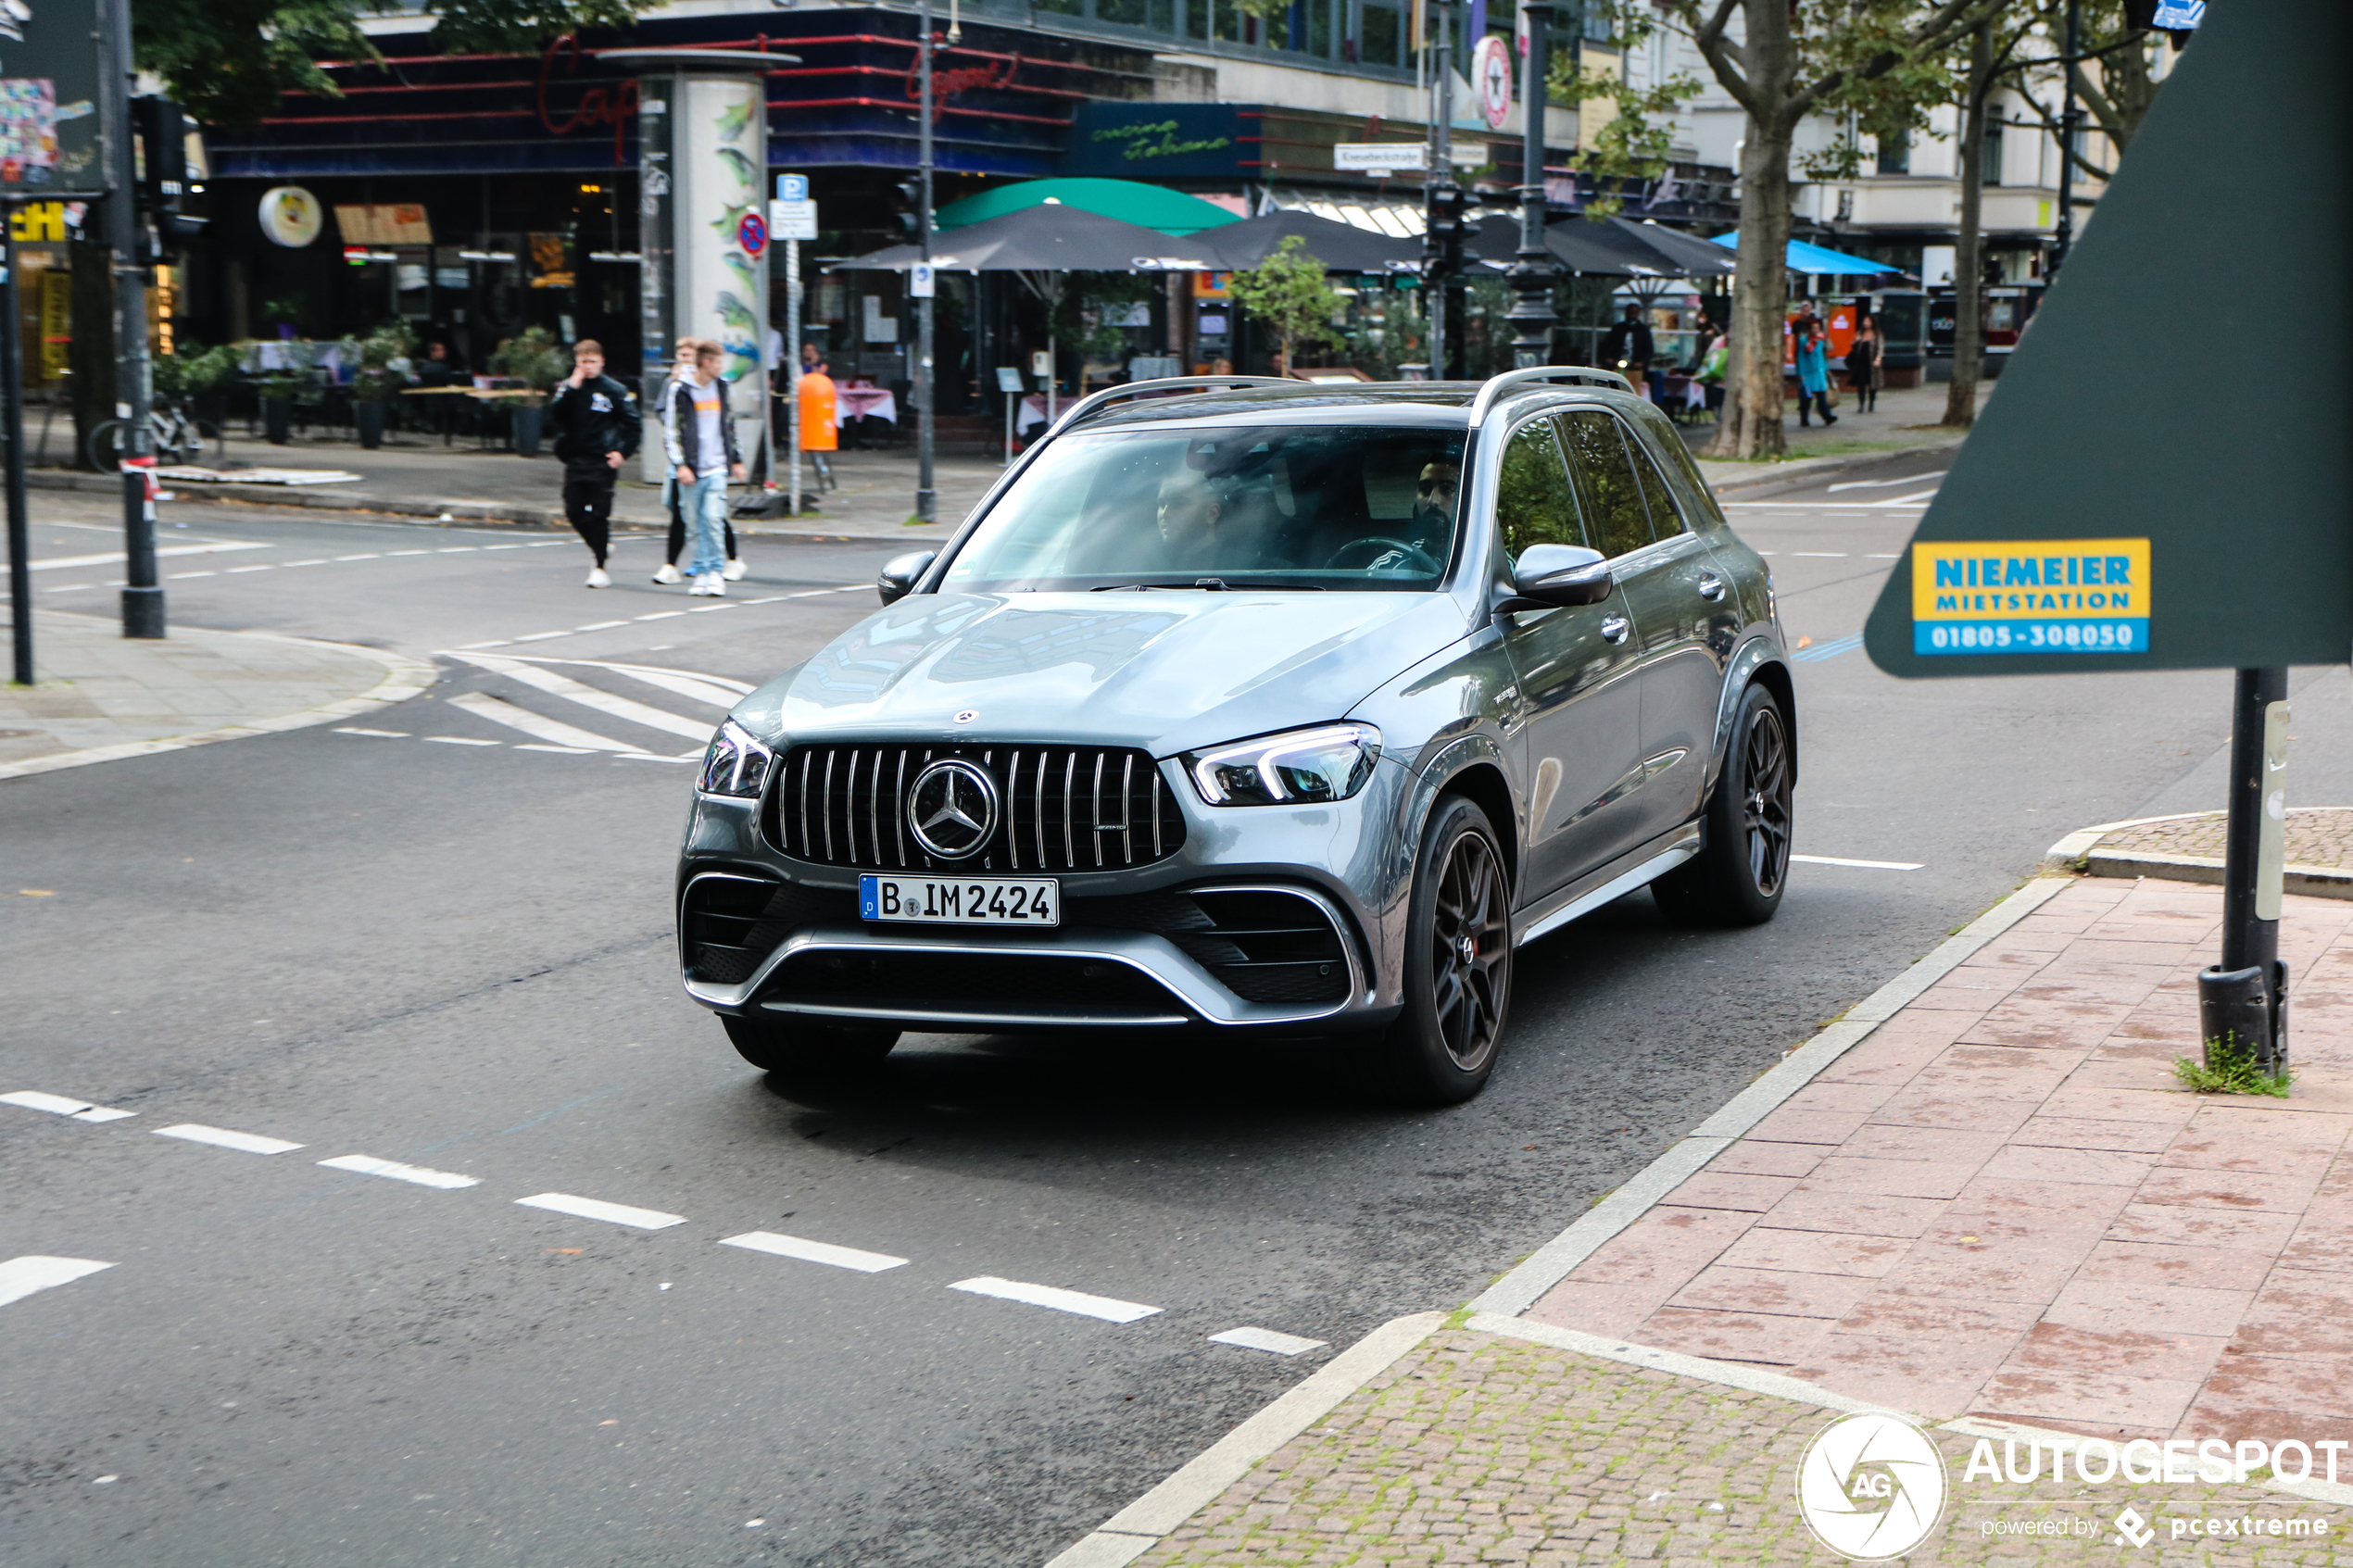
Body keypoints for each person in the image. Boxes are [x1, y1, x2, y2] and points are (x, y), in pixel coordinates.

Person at [544, 339, 638, 588]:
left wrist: (622, 452)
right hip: (576, 458)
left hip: (602, 460)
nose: (587, 367)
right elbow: (556, 416)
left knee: (599, 514)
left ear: (601, 362)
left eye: (592, 361)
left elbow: (632, 424)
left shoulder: (614, 390)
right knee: (573, 510)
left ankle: (599, 566)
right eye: (583, 362)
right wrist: (571, 388)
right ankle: (601, 544)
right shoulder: (570, 388)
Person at [653, 336, 740, 584]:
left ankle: (715, 570)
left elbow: (729, 425)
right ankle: (701, 569)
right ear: (706, 362)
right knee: (690, 521)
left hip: (716, 467)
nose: (721, 367)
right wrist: (680, 465)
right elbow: (670, 430)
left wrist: (736, 458)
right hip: (689, 466)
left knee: (713, 517)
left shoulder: (722, 387)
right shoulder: (679, 388)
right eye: (718, 362)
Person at [798, 352, 838, 500]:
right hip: (812, 416)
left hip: (817, 421)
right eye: (806, 350)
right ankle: (825, 474)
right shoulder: (802, 370)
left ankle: (824, 473)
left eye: (812, 351)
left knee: (818, 449)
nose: (809, 354)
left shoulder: (820, 375)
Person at [1794, 317, 1837, 427]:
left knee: (1821, 395)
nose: (1816, 330)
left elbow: (1821, 356)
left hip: (1818, 372)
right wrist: (1801, 373)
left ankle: (1827, 416)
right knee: (1807, 398)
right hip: (1807, 373)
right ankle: (1804, 419)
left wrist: (1826, 369)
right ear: (1809, 329)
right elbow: (1800, 357)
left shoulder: (1820, 341)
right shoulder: (1803, 341)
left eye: (1818, 328)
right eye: (1814, 328)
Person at [1844, 308, 1882, 414]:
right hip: (1860, 362)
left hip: (1871, 361)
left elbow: (1880, 347)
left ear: (1872, 322)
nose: (1866, 323)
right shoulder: (1860, 333)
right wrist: (1855, 341)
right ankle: (1861, 404)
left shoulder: (1877, 334)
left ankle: (1871, 402)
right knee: (1861, 383)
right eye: (1864, 321)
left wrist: (1878, 359)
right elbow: (1854, 347)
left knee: (1872, 384)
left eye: (1868, 321)